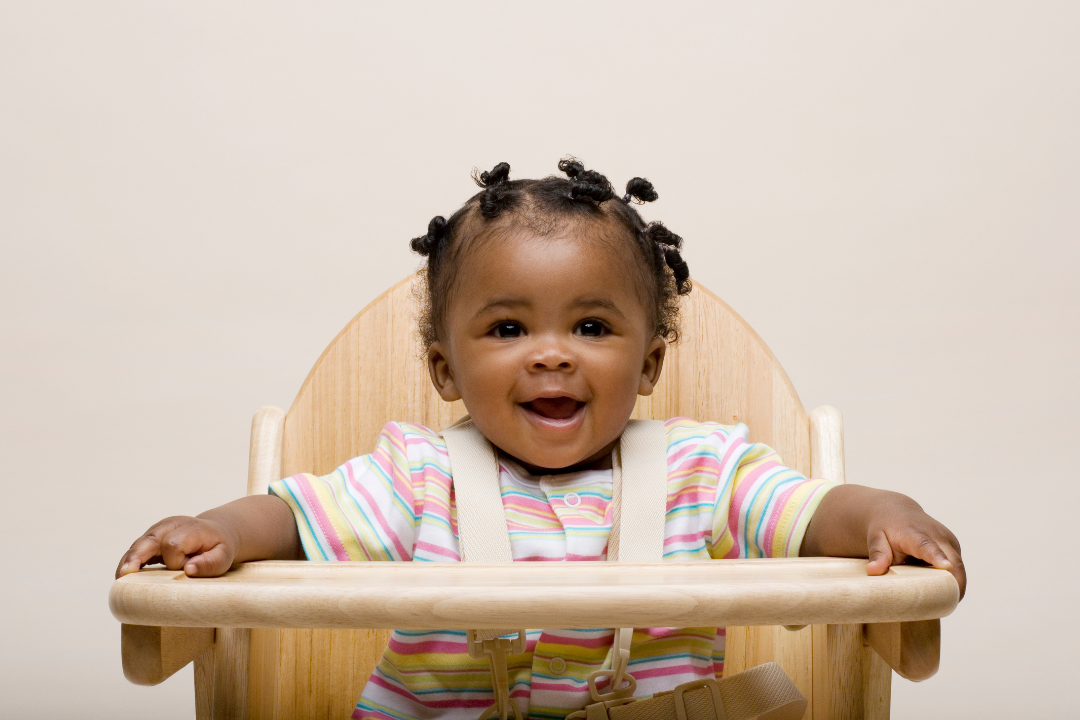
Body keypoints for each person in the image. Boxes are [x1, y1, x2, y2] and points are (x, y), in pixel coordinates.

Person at [116, 159, 966, 720]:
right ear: (446, 369)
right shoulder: (418, 477)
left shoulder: (699, 470)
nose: (552, 352)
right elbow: (295, 522)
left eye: (592, 325)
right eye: (509, 327)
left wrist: (885, 513)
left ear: (648, 362)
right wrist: (219, 531)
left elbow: (811, 515)